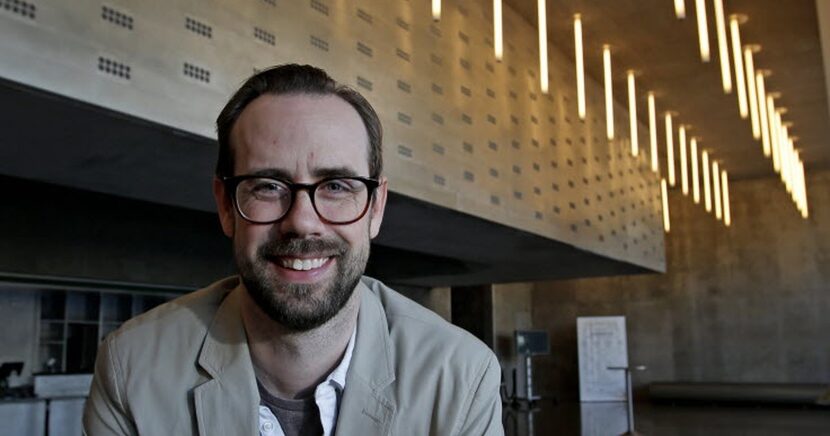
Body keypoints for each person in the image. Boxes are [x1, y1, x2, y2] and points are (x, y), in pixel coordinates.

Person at [83, 64, 503, 435]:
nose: (302, 221)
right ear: (226, 206)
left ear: (375, 208)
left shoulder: (461, 376)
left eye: (337, 185)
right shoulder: (130, 369)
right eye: (268, 186)